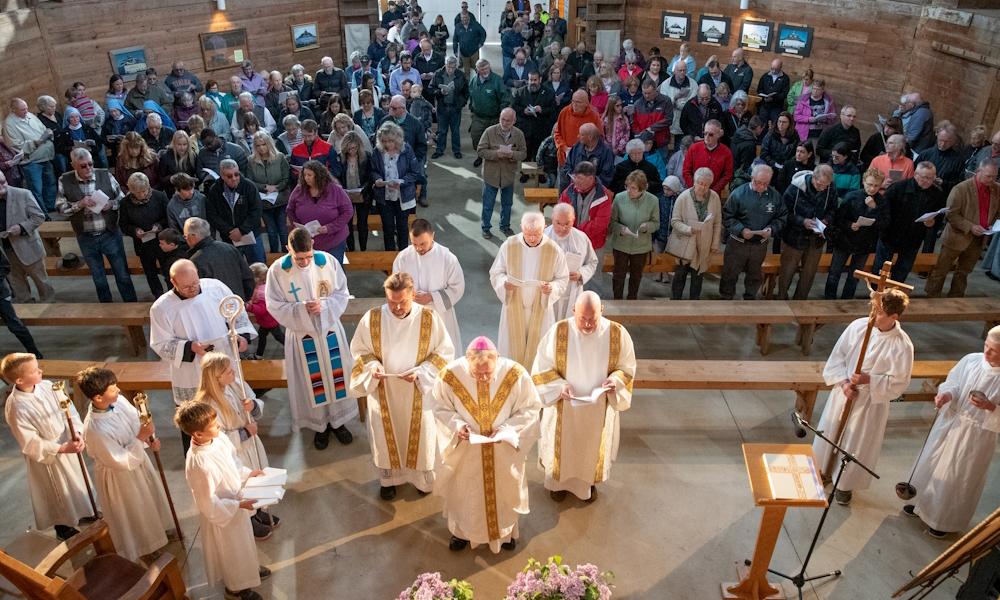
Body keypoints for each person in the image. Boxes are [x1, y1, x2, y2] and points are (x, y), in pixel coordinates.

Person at [349, 272, 455, 500]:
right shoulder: (372, 318)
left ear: (413, 295)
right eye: (391, 302)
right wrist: (373, 366)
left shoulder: (429, 318)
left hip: (418, 391)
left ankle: (421, 481)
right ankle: (389, 480)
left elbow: (444, 353)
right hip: (383, 391)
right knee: (385, 436)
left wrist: (421, 372)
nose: (396, 308)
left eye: (402, 302)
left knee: (421, 436)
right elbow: (359, 351)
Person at [431, 336, 541, 553]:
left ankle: (505, 533)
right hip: (467, 451)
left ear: (497, 360)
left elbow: (531, 408)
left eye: (487, 374)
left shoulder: (516, 374)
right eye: (476, 373)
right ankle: (462, 533)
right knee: (465, 492)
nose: (482, 378)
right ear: (467, 361)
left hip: (503, 451)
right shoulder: (450, 376)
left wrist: (509, 428)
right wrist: (458, 425)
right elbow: (439, 406)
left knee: (503, 490)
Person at [812, 289, 914, 506]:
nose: (872, 315)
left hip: (869, 402)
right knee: (831, 431)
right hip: (845, 393)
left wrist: (870, 380)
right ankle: (823, 469)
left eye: (878, 312)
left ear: (894, 317)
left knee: (856, 442)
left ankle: (844, 485)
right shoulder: (858, 327)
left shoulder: (902, 345)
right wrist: (844, 383)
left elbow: (899, 383)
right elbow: (837, 357)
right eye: (873, 309)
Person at [531, 290, 635, 502]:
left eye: (592, 319)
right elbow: (541, 369)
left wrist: (614, 381)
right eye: (582, 319)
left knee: (590, 451)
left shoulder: (617, 333)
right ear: (573, 311)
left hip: (597, 409)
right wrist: (559, 386)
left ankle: (587, 486)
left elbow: (627, 367)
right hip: (564, 407)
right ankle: (556, 485)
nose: (587, 324)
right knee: (563, 450)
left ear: (602, 311)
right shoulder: (559, 331)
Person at [266, 228, 358, 450]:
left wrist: (324, 305)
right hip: (302, 335)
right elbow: (273, 305)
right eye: (299, 258)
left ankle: (338, 423)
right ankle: (320, 427)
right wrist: (301, 309)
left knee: (336, 376)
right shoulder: (278, 270)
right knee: (312, 381)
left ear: (313, 244)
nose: (305, 262)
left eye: (308, 256)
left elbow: (342, 293)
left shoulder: (326, 262)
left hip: (329, 331)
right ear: (288, 249)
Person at [903, 328, 1000, 538]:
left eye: (994, 351)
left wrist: (991, 407)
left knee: (956, 476)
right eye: (986, 347)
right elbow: (953, 382)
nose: (986, 353)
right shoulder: (971, 360)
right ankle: (919, 503)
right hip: (951, 421)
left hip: (976, 435)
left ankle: (942, 520)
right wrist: (946, 395)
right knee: (931, 462)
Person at [149, 258, 253, 449]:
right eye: (187, 286)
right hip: (193, 371)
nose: (193, 289)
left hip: (223, 362)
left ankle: (243, 450)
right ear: (173, 283)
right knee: (197, 418)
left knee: (233, 410)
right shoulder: (161, 308)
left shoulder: (216, 288)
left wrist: (242, 337)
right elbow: (160, 344)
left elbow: (236, 313)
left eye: (195, 283)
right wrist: (190, 347)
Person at [174, 401, 270, 600]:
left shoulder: (218, 439)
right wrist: (237, 505)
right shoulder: (198, 462)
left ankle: (248, 572)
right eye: (214, 425)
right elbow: (206, 502)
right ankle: (235, 589)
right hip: (223, 516)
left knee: (243, 544)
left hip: (236, 501)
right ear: (198, 434)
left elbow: (233, 463)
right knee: (232, 552)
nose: (219, 426)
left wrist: (248, 473)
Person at [78, 366, 172, 560]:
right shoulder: (95, 429)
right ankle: (145, 546)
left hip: (138, 461)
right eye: (113, 388)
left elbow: (137, 422)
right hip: (120, 476)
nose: (119, 390)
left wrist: (149, 438)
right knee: (135, 509)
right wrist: (140, 438)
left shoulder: (117, 401)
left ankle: (159, 531)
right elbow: (119, 460)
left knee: (149, 499)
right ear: (98, 398)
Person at [2, 353, 93, 541]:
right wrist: (60, 448)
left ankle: (84, 511)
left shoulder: (48, 386)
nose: (41, 371)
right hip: (49, 456)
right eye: (35, 370)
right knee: (57, 491)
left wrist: (76, 432)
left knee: (77, 481)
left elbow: (69, 411)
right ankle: (63, 526)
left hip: (68, 442)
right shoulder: (16, 406)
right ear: (19, 379)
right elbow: (29, 441)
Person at [194, 352, 277, 539]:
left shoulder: (234, 384)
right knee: (243, 484)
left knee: (257, 477)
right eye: (228, 371)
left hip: (251, 443)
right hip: (235, 452)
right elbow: (215, 437)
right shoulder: (207, 403)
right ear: (216, 377)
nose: (234, 373)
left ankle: (258, 510)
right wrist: (245, 432)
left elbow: (254, 398)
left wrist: (253, 406)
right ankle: (248, 520)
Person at [56, 148, 138, 303]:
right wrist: (79, 204)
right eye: (83, 166)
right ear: (73, 165)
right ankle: (107, 310)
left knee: (122, 275)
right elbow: (60, 209)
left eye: (90, 164)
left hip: (110, 234)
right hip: (86, 237)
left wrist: (111, 204)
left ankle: (131, 306)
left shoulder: (104, 175)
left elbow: (122, 198)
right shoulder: (64, 180)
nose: (88, 168)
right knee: (98, 278)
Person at [489, 212, 569, 367]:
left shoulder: (553, 249)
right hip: (514, 307)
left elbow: (562, 278)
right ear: (521, 228)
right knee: (511, 352)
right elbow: (496, 272)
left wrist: (551, 288)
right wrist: (505, 284)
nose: (532, 238)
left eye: (537, 234)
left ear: (544, 228)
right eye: (528, 234)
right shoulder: (509, 245)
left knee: (539, 354)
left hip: (541, 310)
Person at [925, 160, 999, 297]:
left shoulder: (997, 189)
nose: (992, 180)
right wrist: (970, 226)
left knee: (964, 272)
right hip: (957, 237)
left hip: (979, 238)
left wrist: (993, 225)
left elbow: (997, 212)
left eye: (995, 176)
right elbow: (951, 214)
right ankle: (932, 296)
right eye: (989, 176)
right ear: (978, 171)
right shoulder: (961, 189)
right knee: (941, 269)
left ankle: (956, 297)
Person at [393, 218, 465, 349]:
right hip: (412, 314)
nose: (419, 248)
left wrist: (432, 297)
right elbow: (395, 284)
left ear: (432, 236)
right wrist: (407, 295)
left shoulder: (447, 258)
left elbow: (457, 288)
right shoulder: (403, 257)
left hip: (439, 314)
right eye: (414, 244)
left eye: (423, 244)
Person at [720, 164, 788, 300]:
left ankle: (750, 298)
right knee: (730, 274)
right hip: (737, 244)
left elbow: (782, 216)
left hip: (760, 245)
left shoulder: (775, 196)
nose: (762, 187)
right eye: (758, 182)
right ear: (752, 178)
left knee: (755, 275)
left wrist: (772, 229)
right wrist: (741, 229)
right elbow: (727, 216)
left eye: (766, 183)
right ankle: (726, 298)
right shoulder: (738, 193)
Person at [874, 162, 946, 283]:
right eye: (925, 177)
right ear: (916, 175)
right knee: (881, 269)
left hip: (913, 238)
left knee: (903, 270)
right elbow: (883, 210)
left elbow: (939, 214)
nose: (928, 181)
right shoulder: (898, 188)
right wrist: (884, 229)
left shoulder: (936, 193)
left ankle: (894, 295)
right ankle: (876, 293)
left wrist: (932, 223)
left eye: (931, 178)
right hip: (890, 235)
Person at [777, 164, 837, 300]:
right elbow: (783, 212)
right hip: (794, 237)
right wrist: (802, 221)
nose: (823, 188)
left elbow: (833, 209)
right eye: (820, 184)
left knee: (808, 274)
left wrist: (826, 221)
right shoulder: (795, 188)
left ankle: (800, 302)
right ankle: (781, 299)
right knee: (787, 271)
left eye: (826, 185)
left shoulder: (830, 188)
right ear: (813, 178)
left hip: (816, 239)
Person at [825, 169, 887, 300]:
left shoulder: (882, 202)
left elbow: (884, 224)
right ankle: (829, 300)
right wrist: (849, 225)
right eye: (869, 184)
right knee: (834, 273)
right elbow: (838, 218)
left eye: (876, 185)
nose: (872, 188)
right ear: (863, 182)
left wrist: (874, 209)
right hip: (845, 240)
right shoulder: (852, 196)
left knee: (855, 276)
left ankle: (847, 301)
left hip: (864, 244)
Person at [666, 167, 722, 300]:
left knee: (698, 277)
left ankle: (694, 305)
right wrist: (689, 229)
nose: (702, 187)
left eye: (706, 185)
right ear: (694, 182)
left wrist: (715, 244)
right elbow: (674, 221)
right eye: (700, 183)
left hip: (704, 244)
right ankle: (675, 303)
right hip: (684, 243)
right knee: (680, 276)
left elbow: (717, 223)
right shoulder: (683, 197)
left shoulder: (714, 197)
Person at [286, 159, 354, 262]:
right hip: (309, 240)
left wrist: (330, 227)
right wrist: (298, 226)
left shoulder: (335, 190)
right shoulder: (299, 190)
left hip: (333, 239)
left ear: (318, 175)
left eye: (310, 175)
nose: (306, 178)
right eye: (304, 175)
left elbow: (348, 211)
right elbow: (290, 210)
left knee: (334, 270)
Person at [0, 171, 53, 301]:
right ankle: (27, 309)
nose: (2, 186)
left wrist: (21, 227)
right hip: (5, 251)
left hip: (27, 247)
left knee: (42, 283)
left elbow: (39, 217)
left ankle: (50, 307)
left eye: (3, 182)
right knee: (17, 285)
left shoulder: (23, 194)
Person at [477, 107, 526, 239]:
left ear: (514, 121)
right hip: (491, 175)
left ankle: (505, 226)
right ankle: (485, 228)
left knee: (507, 204)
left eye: (508, 121)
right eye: (502, 119)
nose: (504, 123)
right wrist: (496, 154)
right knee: (488, 204)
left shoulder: (519, 135)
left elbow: (523, 153)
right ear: (499, 118)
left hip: (508, 176)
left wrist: (512, 154)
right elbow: (480, 151)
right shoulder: (489, 132)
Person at [205, 159, 265, 265]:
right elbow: (212, 215)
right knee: (235, 269)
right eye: (229, 176)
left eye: (236, 174)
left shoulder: (249, 186)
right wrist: (229, 231)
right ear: (222, 176)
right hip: (229, 237)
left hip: (251, 235)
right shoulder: (215, 190)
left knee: (259, 267)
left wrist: (241, 230)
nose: (234, 178)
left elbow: (257, 211)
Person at [609, 170, 658, 300]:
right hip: (621, 244)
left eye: (633, 188)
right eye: (627, 186)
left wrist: (647, 227)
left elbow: (656, 223)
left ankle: (632, 301)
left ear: (642, 189)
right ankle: (617, 300)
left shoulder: (653, 201)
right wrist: (620, 228)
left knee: (636, 276)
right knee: (618, 275)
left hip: (641, 246)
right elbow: (612, 222)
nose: (629, 190)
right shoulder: (619, 198)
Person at [371, 121, 420, 251]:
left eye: (390, 141)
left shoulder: (406, 150)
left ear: (397, 139)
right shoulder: (377, 151)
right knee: (388, 228)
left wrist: (402, 182)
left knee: (402, 228)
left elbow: (415, 172)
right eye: (384, 141)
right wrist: (377, 179)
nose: (387, 144)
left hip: (402, 196)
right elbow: (373, 170)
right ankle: (390, 257)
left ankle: (404, 254)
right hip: (385, 196)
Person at [120, 172, 168, 297]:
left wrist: (159, 225)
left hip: (161, 241)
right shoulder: (125, 203)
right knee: (150, 273)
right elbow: (123, 224)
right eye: (137, 192)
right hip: (143, 244)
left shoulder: (159, 197)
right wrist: (134, 231)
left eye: (144, 191)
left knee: (168, 270)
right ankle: (158, 295)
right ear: (131, 190)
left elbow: (167, 217)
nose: (142, 195)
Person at [183, 217, 254, 301]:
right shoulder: (229, 248)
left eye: (185, 236)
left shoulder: (195, 261)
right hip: (238, 304)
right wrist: (244, 299)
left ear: (193, 236)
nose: (185, 239)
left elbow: (196, 292)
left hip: (215, 308)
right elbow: (248, 277)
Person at [4, 98, 56, 212]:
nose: (26, 111)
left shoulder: (31, 116)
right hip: (31, 162)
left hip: (45, 157)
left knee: (50, 184)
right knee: (36, 189)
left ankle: (51, 208)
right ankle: (42, 213)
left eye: (27, 108)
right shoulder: (9, 124)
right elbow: (15, 147)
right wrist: (35, 143)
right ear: (13, 110)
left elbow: (43, 129)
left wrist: (48, 133)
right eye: (22, 109)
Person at [244, 131, 290, 254]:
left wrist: (277, 187)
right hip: (263, 202)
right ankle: (274, 255)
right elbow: (249, 181)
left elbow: (286, 178)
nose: (261, 148)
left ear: (269, 144)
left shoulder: (280, 157)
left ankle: (287, 254)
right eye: (258, 145)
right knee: (271, 231)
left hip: (280, 199)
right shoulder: (251, 161)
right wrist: (264, 187)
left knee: (283, 229)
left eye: (263, 144)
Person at [468, 59, 510, 168]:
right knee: (475, 137)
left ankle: (493, 158)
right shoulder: (473, 81)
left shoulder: (497, 80)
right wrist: (472, 109)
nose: (485, 71)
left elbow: (505, 98)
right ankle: (481, 156)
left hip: (493, 117)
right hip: (478, 116)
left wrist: (502, 114)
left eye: (487, 68)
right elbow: (471, 96)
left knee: (494, 140)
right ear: (477, 70)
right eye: (482, 69)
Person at [553, 90, 602, 181]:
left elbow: (599, 138)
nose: (574, 104)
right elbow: (557, 133)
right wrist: (564, 148)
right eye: (573, 101)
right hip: (564, 158)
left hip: (585, 162)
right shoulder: (564, 112)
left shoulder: (594, 116)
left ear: (586, 103)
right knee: (563, 189)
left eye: (578, 102)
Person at [430, 55, 469, 159]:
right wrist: (440, 92)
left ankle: (456, 150)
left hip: (455, 107)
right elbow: (431, 88)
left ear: (456, 66)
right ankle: (439, 150)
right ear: (445, 65)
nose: (451, 69)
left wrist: (462, 103)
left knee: (455, 130)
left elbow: (466, 91)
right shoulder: (438, 74)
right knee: (442, 130)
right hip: (442, 107)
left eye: (453, 67)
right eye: (449, 67)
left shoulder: (460, 75)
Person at [511, 70, 554, 164]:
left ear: (540, 80)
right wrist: (524, 111)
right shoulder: (520, 92)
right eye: (531, 80)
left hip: (541, 129)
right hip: (525, 129)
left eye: (535, 80)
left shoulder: (548, 92)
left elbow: (553, 109)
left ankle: (539, 173)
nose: (533, 82)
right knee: (526, 153)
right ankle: (525, 173)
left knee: (540, 154)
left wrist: (541, 109)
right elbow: (514, 107)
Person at [682, 119, 732, 194]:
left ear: (718, 134)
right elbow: (686, 171)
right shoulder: (694, 148)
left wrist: (714, 191)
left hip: (714, 193)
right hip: (694, 191)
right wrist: (695, 188)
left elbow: (727, 175)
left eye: (711, 134)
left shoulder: (726, 152)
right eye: (705, 133)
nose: (707, 137)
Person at [246, 262, 284, 358]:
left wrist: (249, 307)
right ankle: (259, 354)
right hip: (266, 320)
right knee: (263, 336)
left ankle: (294, 348)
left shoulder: (262, 292)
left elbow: (262, 310)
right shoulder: (262, 288)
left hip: (269, 320)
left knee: (279, 337)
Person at [756, 59, 789, 129]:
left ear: (780, 68)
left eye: (776, 69)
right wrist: (764, 96)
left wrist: (774, 98)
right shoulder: (765, 76)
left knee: (775, 126)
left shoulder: (785, 78)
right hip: (764, 105)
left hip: (776, 107)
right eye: (772, 68)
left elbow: (784, 94)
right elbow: (759, 89)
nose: (773, 71)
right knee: (761, 125)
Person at [453, 12, 487, 77]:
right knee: (466, 71)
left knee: (477, 68)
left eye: (466, 18)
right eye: (463, 18)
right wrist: (455, 51)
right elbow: (455, 40)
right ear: (461, 18)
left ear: (469, 18)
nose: (464, 20)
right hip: (464, 53)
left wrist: (481, 43)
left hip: (474, 51)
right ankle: (467, 85)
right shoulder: (458, 26)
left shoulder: (475, 24)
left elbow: (483, 33)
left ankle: (480, 82)